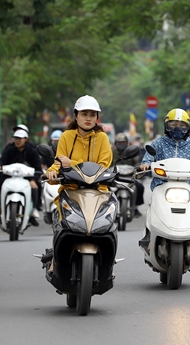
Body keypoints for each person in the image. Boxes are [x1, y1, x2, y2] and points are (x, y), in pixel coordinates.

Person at [43, 95, 113, 273]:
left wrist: (72, 163)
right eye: (84, 114)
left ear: (97, 117)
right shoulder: (66, 137)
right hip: (71, 189)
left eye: (92, 114)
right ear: (76, 115)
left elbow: (104, 166)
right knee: (59, 219)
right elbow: (58, 162)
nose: (88, 118)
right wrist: (51, 172)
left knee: (110, 222)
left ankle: (108, 261)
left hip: (98, 190)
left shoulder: (103, 138)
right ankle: (55, 258)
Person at [139, 109, 190, 190]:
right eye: (173, 124)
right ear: (166, 126)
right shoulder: (158, 143)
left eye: (182, 125)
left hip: (189, 188)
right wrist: (145, 165)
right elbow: (148, 160)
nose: (177, 128)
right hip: (161, 187)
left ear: (188, 127)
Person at [0, 125, 43, 226]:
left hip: (27, 177)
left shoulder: (32, 151)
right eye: (16, 138)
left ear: (26, 139)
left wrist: (33, 179)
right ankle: (0, 207)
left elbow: (38, 168)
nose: (18, 141)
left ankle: (33, 210)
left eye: (20, 138)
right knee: (0, 183)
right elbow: (3, 159)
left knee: (36, 186)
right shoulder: (9, 149)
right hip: (10, 176)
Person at [112, 132, 144, 217]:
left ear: (127, 143)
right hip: (115, 177)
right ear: (116, 144)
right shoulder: (111, 152)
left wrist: (138, 167)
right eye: (119, 143)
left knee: (139, 186)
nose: (122, 144)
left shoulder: (131, 151)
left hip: (129, 177)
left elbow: (137, 162)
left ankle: (136, 208)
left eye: (123, 143)